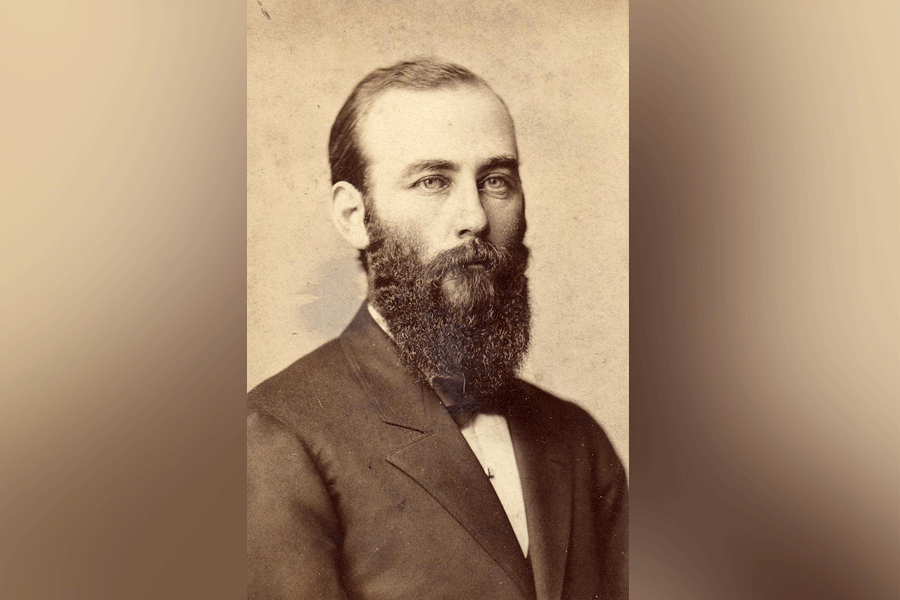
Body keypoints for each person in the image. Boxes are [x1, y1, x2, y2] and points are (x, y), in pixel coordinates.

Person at [247, 58, 628, 600]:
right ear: (355, 216)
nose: (474, 216)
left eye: (496, 180)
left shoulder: (577, 438)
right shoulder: (277, 435)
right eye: (432, 181)